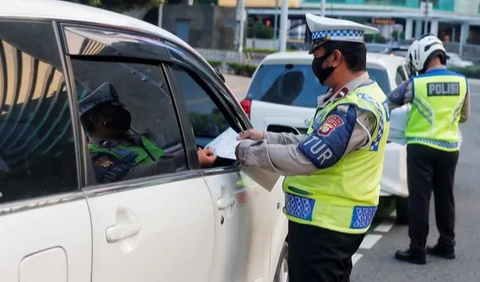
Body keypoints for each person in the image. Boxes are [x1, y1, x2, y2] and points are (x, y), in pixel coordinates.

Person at [235, 14, 390, 282]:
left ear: (335, 58)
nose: (314, 63)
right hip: (326, 226)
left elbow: (308, 157)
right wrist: (266, 137)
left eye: (317, 55)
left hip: (326, 228)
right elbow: (312, 142)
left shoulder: (354, 108)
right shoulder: (355, 97)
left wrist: (246, 152)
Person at [389, 35, 470, 265]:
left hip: (421, 147)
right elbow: (464, 116)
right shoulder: (462, 82)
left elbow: (390, 102)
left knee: (420, 199)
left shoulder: (416, 83)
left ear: (421, 58)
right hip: (449, 148)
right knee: (446, 197)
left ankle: (417, 250)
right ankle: (447, 245)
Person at [79, 82, 222, 183]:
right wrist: (189, 158)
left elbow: (163, 162)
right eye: (112, 111)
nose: (120, 114)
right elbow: (131, 178)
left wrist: (194, 159)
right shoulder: (96, 156)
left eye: (119, 109)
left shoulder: (135, 139)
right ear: (95, 119)